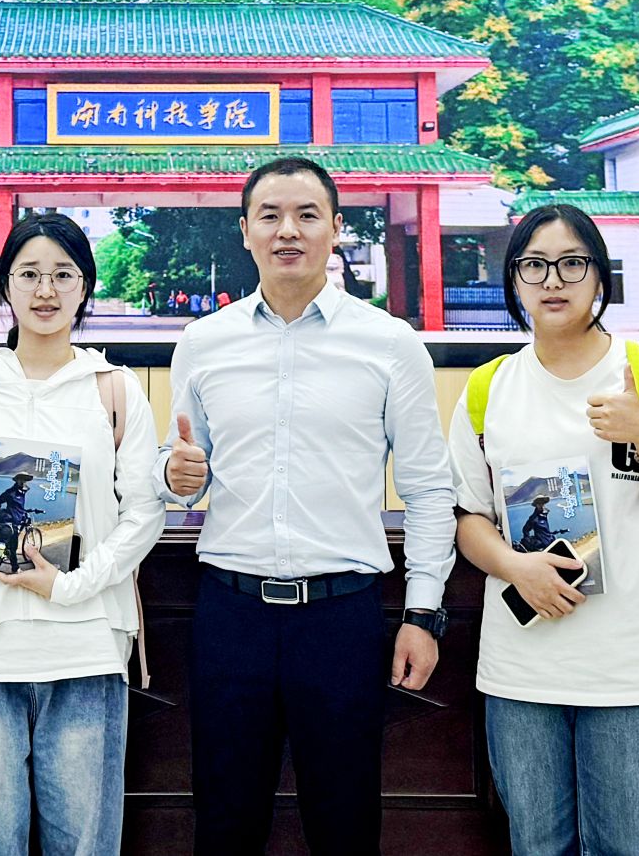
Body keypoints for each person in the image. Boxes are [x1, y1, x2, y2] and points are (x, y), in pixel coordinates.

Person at [159, 156, 455, 856]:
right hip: (230, 615)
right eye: (270, 215)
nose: (287, 230)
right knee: (224, 826)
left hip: (341, 618)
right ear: (245, 231)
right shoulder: (203, 343)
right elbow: (179, 476)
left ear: (336, 228)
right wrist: (174, 474)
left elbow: (428, 488)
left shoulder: (390, 344)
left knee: (345, 827)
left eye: (306, 214)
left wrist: (422, 614)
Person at [446, 203, 639, 856]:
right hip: (524, 667)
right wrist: (515, 567)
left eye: (573, 263)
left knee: (623, 845)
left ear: (600, 276)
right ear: (514, 278)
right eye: (534, 264)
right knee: (535, 845)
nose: (553, 279)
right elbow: (470, 519)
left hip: (633, 666)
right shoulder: (488, 389)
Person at [0, 213, 161, 856]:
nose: (45, 290)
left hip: (85, 647)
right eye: (28, 274)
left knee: (85, 846)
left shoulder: (115, 392)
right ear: (6, 286)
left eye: (63, 275)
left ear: (85, 288)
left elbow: (145, 513)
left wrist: (72, 585)